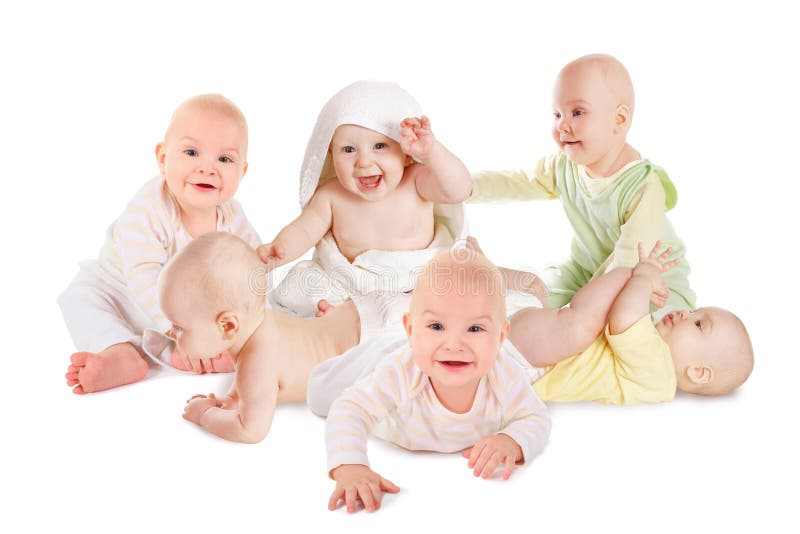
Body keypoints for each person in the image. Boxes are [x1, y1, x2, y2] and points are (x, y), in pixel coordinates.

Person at [58, 94, 261, 394]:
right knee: (79, 297)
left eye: (224, 159)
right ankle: (119, 352)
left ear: (242, 171)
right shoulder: (149, 208)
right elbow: (142, 275)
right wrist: (178, 331)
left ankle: (215, 353)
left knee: (241, 311)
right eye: (191, 152)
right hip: (120, 290)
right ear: (163, 158)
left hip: (184, 308)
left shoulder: (232, 217)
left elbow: (254, 269)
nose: (207, 168)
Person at [470, 54, 695, 320]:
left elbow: (627, 260)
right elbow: (517, 182)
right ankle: (484, 283)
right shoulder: (566, 166)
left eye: (577, 112)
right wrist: (464, 186)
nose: (562, 125)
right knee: (531, 305)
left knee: (642, 331)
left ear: (619, 119)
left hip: (650, 284)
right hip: (585, 272)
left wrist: (577, 310)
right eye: (557, 114)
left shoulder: (643, 186)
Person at [324, 251, 551, 513]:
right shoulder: (400, 372)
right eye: (436, 326)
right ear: (411, 329)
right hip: (383, 358)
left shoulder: (504, 374)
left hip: (420, 351)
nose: (454, 345)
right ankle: (337, 329)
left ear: (501, 337)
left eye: (475, 329)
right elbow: (349, 409)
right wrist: (351, 466)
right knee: (323, 391)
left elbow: (537, 417)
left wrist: (513, 440)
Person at [258, 81, 479, 324]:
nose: (364, 161)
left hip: (414, 286)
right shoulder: (331, 196)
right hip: (352, 287)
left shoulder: (417, 181)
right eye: (349, 149)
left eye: (380, 146)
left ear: (406, 153)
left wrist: (431, 152)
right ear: (330, 153)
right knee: (301, 288)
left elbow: (459, 190)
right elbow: (304, 230)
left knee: (447, 300)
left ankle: (359, 324)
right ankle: (341, 322)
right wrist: (278, 251)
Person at [169, 232, 361, 443]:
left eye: (179, 327)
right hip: (356, 312)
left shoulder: (257, 361)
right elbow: (250, 385)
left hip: (367, 344)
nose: (171, 333)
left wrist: (204, 416)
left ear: (228, 325)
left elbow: (250, 430)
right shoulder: (261, 322)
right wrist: (233, 399)